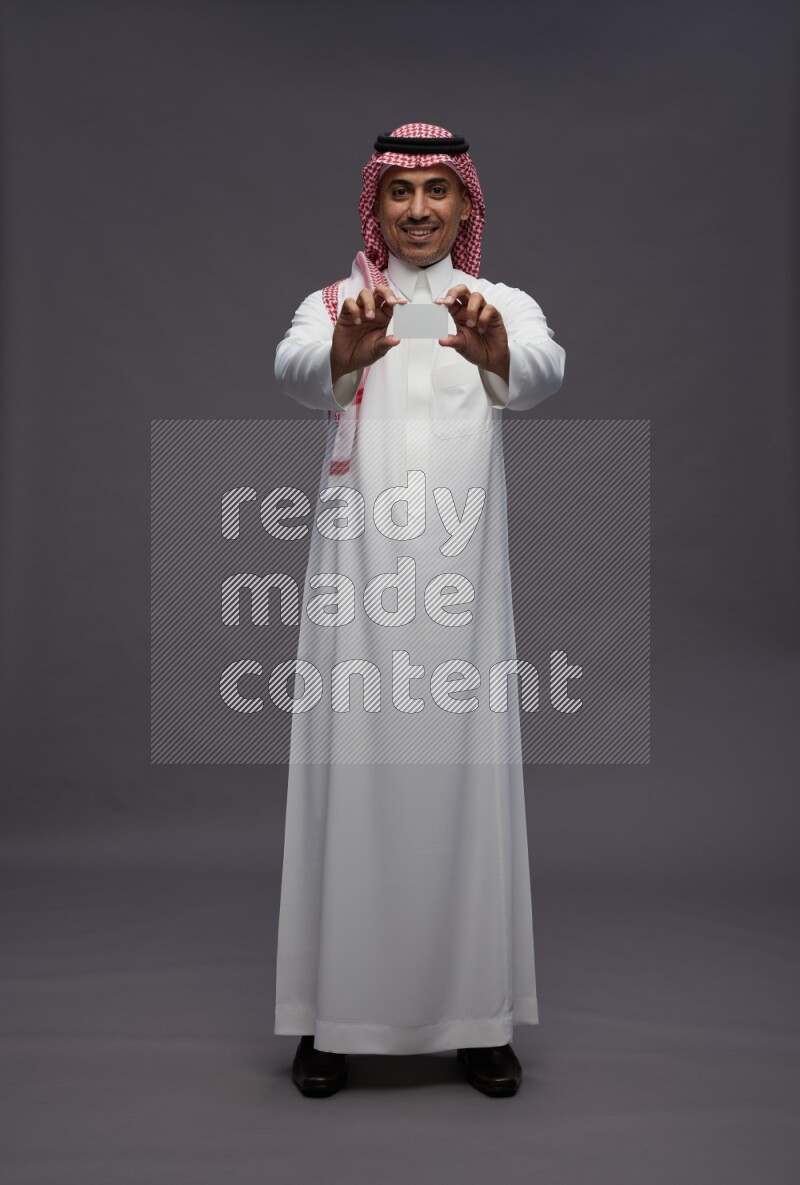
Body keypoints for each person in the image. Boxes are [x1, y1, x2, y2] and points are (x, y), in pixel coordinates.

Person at [273, 123, 565, 1097]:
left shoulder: (499, 304)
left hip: (460, 601)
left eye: (438, 190)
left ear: (465, 204)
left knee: (464, 791)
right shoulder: (336, 304)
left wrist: (498, 354)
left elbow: (542, 369)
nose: (419, 209)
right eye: (401, 192)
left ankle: (476, 1021)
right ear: (377, 204)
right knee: (346, 785)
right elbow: (293, 366)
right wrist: (342, 354)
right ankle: (329, 1021)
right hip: (355, 595)